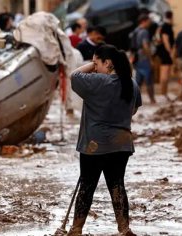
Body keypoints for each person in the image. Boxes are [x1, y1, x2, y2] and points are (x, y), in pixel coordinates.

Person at [68, 44, 141, 236]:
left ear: (107, 63)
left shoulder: (97, 82)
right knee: (117, 185)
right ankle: (124, 228)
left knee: (87, 186)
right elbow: (133, 109)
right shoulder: (131, 84)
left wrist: (91, 67)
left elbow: (74, 76)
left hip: (95, 144)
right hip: (122, 144)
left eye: (96, 63)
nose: (94, 67)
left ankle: (76, 229)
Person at [132, 14, 156, 104]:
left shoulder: (136, 30)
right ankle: (152, 100)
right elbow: (145, 45)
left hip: (136, 57)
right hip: (144, 57)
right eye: (149, 21)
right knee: (149, 79)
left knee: (138, 80)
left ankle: (134, 100)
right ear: (144, 21)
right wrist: (150, 59)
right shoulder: (145, 32)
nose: (150, 23)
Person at [156, 10, 175, 101]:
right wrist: (170, 51)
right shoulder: (166, 26)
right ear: (171, 17)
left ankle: (163, 93)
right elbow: (165, 39)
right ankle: (163, 93)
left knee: (164, 74)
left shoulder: (163, 25)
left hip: (163, 51)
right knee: (165, 74)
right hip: (165, 52)